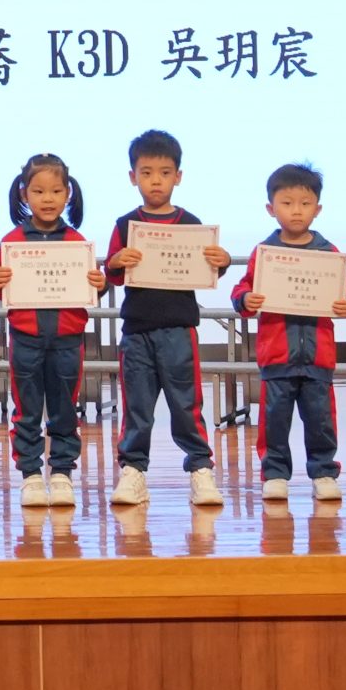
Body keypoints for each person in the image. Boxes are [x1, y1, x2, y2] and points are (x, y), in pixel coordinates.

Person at [103, 129, 234, 508]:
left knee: (186, 404)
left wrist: (222, 261)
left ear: (178, 176)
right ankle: (133, 471)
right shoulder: (125, 225)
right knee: (137, 406)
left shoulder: (191, 223)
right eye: (146, 173)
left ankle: (200, 469)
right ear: (133, 177)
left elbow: (209, 267)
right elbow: (112, 273)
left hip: (179, 329)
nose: (155, 181)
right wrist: (116, 261)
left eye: (164, 173)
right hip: (137, 331)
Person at [232, 163, 346, 504]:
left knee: (321, 421)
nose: (296, 211)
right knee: (274, 421)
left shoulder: (328, 253)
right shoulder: (265, 253)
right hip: (277, 356)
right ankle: (275, 475)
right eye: (287, 203)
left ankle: (323, 473)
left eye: (305, 204)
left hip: (318, 356)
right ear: (271, 208)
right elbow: (241, 292)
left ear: (317, 209)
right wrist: (247, 299)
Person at [0, 153, 104, 508]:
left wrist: (99, 283)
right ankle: (31, 475)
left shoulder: (78, 242)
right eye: (38, 191)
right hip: (26, 340)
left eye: (55, 191)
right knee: (27, 409)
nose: (47, 199)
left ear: (68, 193)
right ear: (24, 194)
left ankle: (63, 472)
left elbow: (92, 289)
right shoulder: (12, 242)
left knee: (65, 407)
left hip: (68, 339)